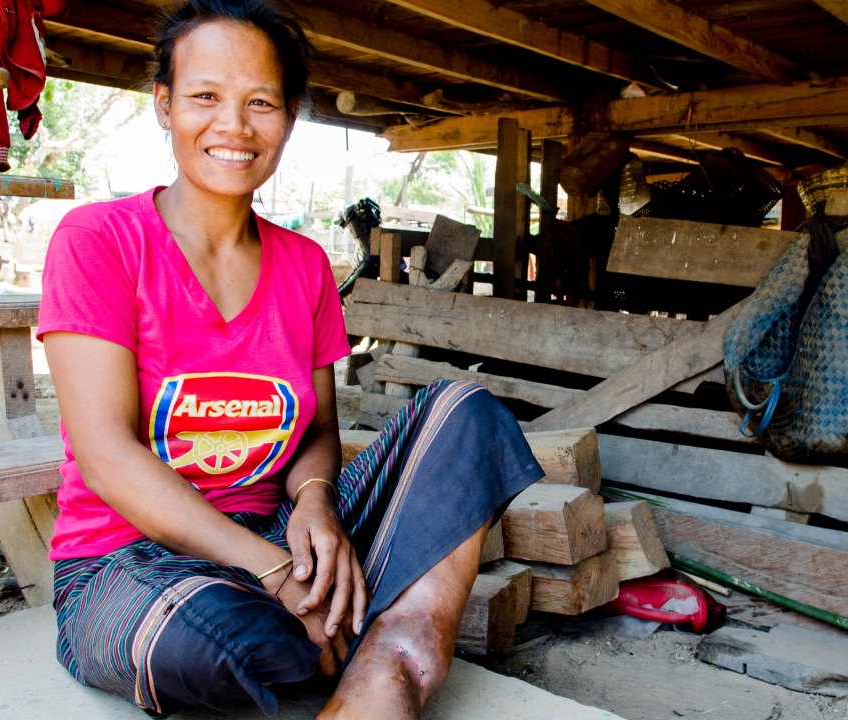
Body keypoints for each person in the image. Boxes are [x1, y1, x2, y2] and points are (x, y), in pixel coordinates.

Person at [35, 2, 543, 717]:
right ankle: (358, 629)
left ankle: (394, 650)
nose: (234, 126)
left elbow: (316, 433)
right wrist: (270, 570)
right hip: (131, 563)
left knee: (467, 415)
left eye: (261, 103)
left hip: (280, 541)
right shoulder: (98, 241)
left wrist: (314, 506)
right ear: (164, 104)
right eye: (205, 97)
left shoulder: (304, 265)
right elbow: (107, 456)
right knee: (199, 640)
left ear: (291, 115)